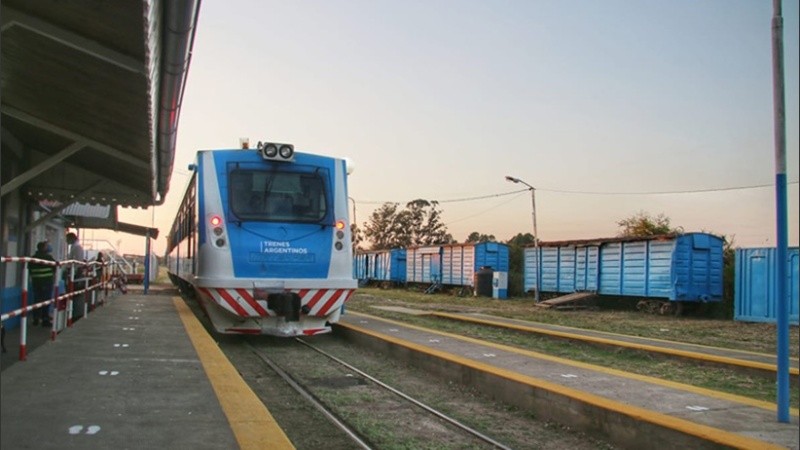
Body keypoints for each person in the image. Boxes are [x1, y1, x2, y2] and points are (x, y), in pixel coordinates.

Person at [29, 241, 56, 327]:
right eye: (47, 246)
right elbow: (55, 267)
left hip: (35, 282)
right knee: (46, 301)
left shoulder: (32, 258)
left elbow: (29, 270)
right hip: (47, 282)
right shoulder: (48, 258)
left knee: (37, 300)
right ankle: (45, 320)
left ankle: (36, 319)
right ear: (44, 248)